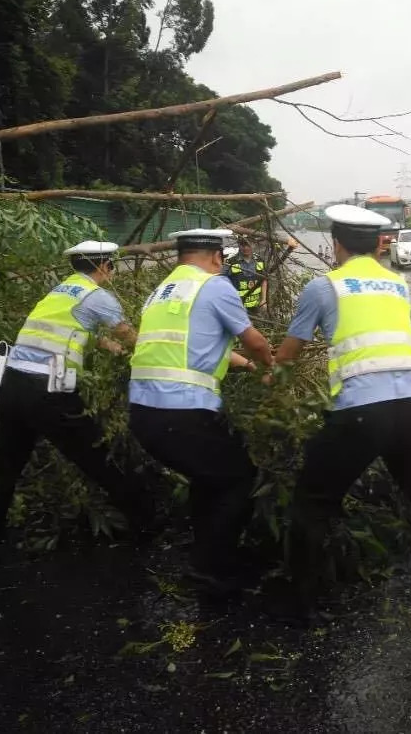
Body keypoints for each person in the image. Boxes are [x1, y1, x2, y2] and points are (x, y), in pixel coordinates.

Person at [272, 204, 411, 619]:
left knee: (313, 501)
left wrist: (271, 380)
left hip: (361, 411)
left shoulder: (324, 287)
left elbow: (289, 354)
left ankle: (302, 602)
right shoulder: (398, 285)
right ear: (380, 244)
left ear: (336, 245)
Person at [0, 241, 154, 567]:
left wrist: (113, 351)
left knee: (5, 465)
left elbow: (83, 333)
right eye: (111, 267)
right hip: (49, 391)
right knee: (98, 457)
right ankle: (147, 523)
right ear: (105, 266)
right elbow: (131, 337)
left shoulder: (59, 292)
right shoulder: (98, 297)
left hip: (12, 385)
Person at [128, 228, 275, 595]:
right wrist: (274, 368)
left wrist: (247, 366)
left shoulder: (161, 293)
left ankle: (205, 550)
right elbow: (253, 339)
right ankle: (210, 567)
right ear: (216, 257)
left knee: (207, 476)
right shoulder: (216, 286)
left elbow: (198, 345)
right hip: (184, 411)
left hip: (145, 413)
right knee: (240, 477)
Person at [225, 236, 267, 315]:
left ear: (253, 245)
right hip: (237, 307)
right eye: (243, 245)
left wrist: (264, 300)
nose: (245, 248)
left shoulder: (259, 260)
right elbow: (222, 283)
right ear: (239, 245)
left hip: (256, 307)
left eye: (248, 245)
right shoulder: (231, 262)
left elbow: (264, 280)